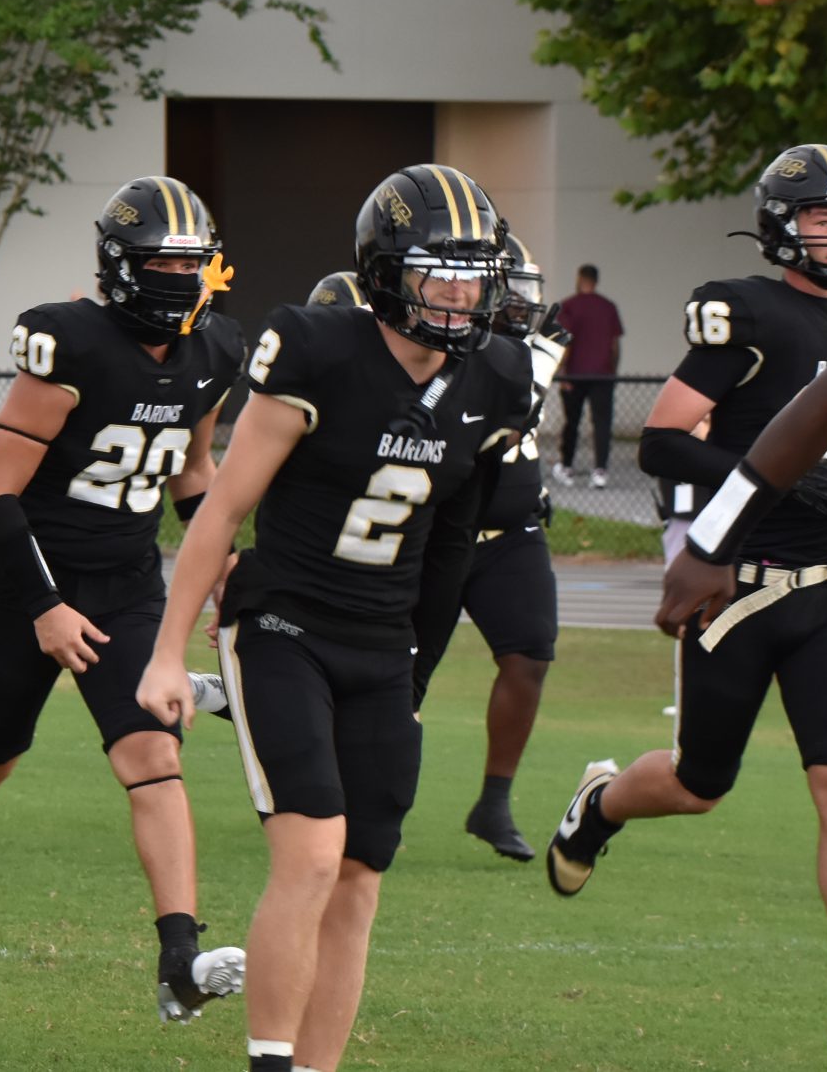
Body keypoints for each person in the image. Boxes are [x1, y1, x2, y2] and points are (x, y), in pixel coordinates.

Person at [137, 164, 533, 1072]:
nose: (462, 293)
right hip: (283, 622)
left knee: (360, 877)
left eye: (476, 273)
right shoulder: (314, 345)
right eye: (442, 270)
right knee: (313, 854)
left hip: (383, 644)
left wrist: (418, 672)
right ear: (389, 271)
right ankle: (270, 1061)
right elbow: (224, 508)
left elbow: (451, 548)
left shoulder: (498, 377)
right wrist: (165, 652)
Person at [0, 176, 246, 1026]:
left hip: (125, 581)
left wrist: (224, 564)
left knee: (152, 752)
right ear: (121, 266)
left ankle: (179, 954)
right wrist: (44, 605)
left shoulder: (216, 350)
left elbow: (192, 472)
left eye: (193, 262)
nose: (181, 278)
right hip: (22, 577)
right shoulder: (67, 340)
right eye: (162, 262)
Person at [577, 329, 827, 1050]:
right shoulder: (751, 312)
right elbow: (810, 413)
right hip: (749, 590)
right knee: (699, 783)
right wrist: (711, 539)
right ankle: (601, 803)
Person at [639, 147, 827, 565]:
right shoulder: (755, 313)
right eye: (823, 220)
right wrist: (778, 479)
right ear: (781, 223)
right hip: (755, 560)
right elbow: (660, 444)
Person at [449, 233, 569, 862]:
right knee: (396, 671)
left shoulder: (522, 351)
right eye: (512, 290)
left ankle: (494, 800)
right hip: (440, 536)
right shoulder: (450, 350)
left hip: (513, 538)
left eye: (529, 292)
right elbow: (510, 410)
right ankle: (349, 790)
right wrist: (537, 372)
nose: (523, 305)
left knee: (529, 656)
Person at [552, 263, 624, 487]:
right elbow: (614, 345)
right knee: (602, 423)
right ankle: (600, 471)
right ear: (596, 280)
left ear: (579, 278)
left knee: (572, 422)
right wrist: (612, 370)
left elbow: (567, 342)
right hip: (602, 374)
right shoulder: (608, 307)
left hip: (575, 374)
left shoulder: (569, 306)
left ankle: (567, 466)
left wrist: (563, 372)